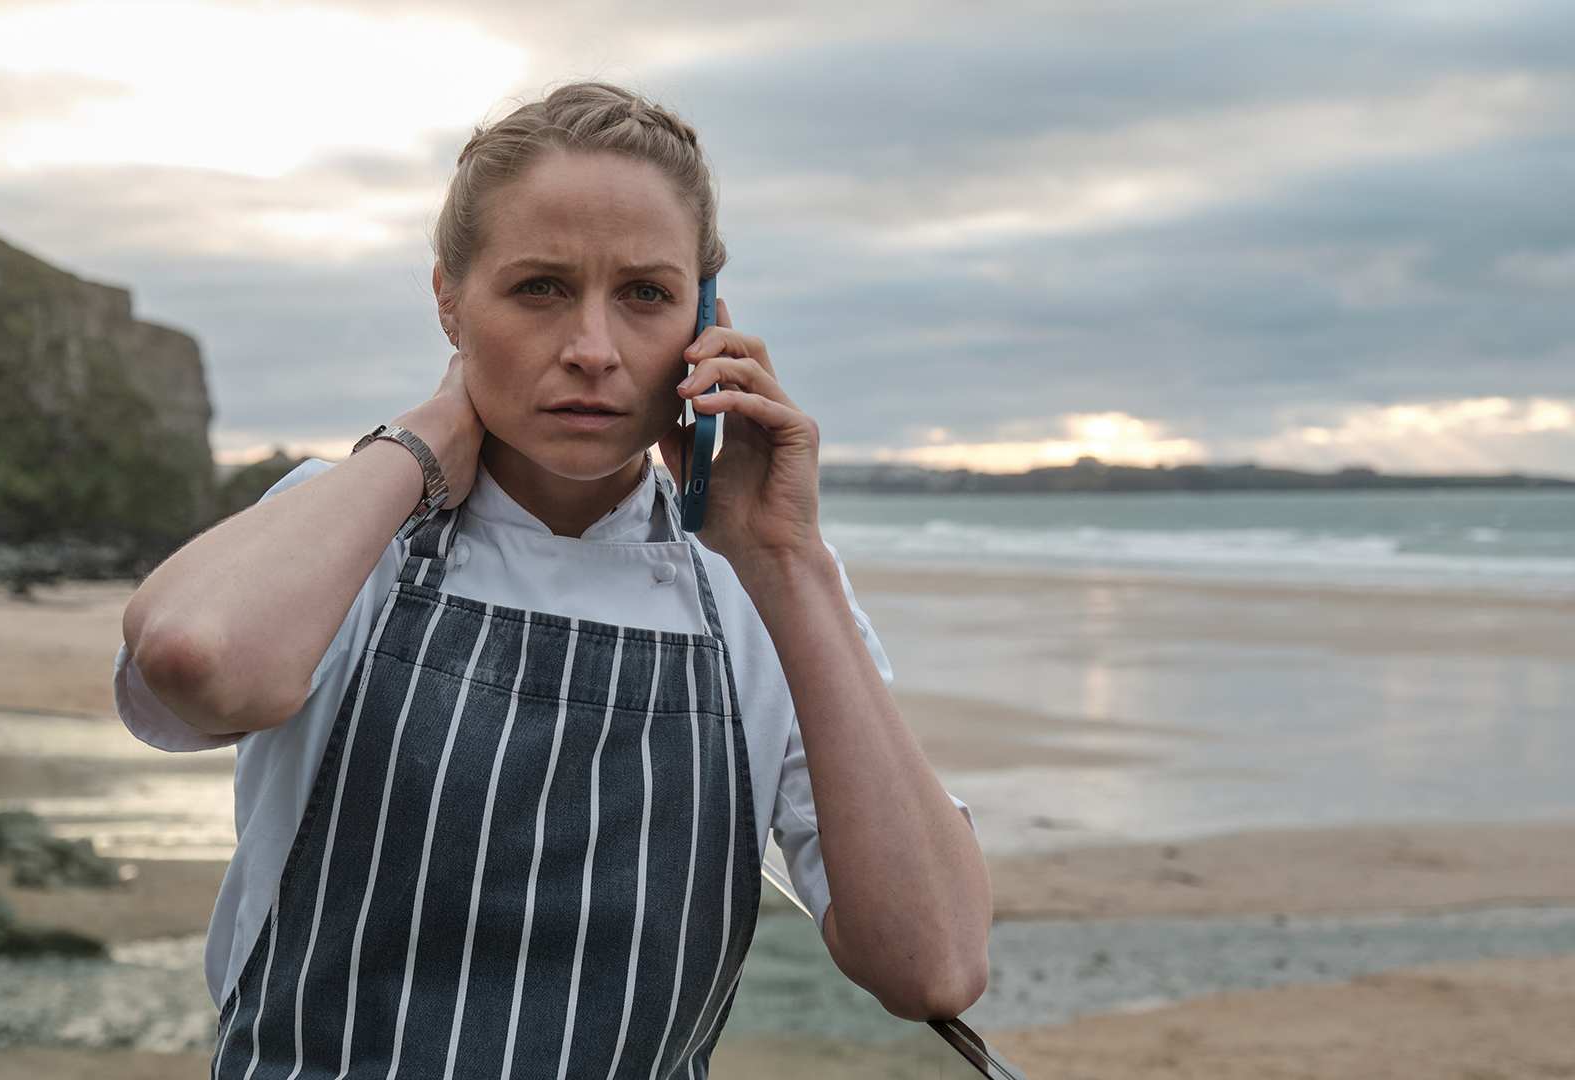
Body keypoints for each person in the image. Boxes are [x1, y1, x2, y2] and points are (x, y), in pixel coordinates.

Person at [114, 79, 992, 1079]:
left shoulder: (763, 592)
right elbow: (197, 662)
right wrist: (423, 442)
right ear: (449, 300)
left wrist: (789, 560)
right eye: (539, 288)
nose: (592, 351)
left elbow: (934, 962)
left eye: (645, 294)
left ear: (706, 315)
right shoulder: (350, 525)